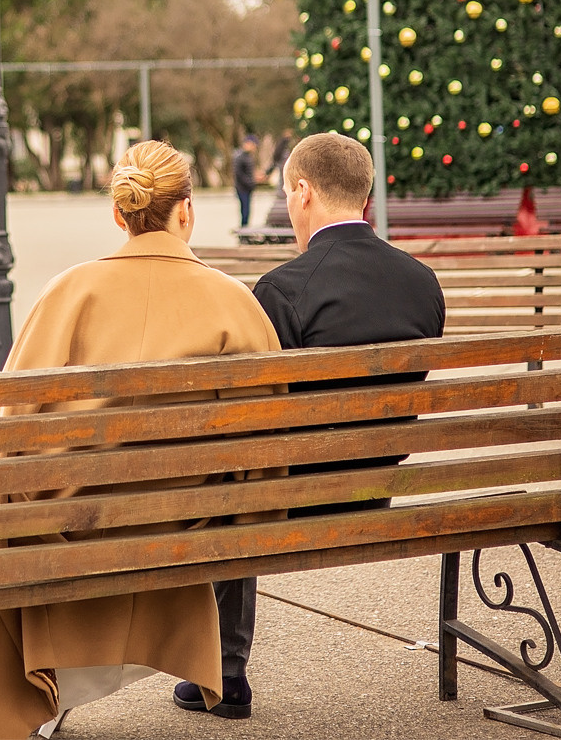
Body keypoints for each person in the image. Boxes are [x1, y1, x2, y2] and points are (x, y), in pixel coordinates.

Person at [0, 140, 282, 739]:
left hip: (75, 526)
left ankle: (23, 697)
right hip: (189, 526)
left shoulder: (67, 293)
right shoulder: (236, 303)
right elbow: (264, 460)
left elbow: (10, 430)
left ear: (118, 214)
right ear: (186, 211)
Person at [174, 131, 445, 721]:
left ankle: (224, 673)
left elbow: (257, 418)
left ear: (303, 192)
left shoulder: (283, 289)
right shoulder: (422, 282)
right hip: (379, 485)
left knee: (230, 478)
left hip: (296, 498)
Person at [231, 134, 261, 228]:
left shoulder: (248, 157)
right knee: (244, 210)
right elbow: (239, 174)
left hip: (248, 188)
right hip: (242, 188)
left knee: (247, 210)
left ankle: (246, 227)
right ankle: (243, 229)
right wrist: (250, 182)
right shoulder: (239, 157)